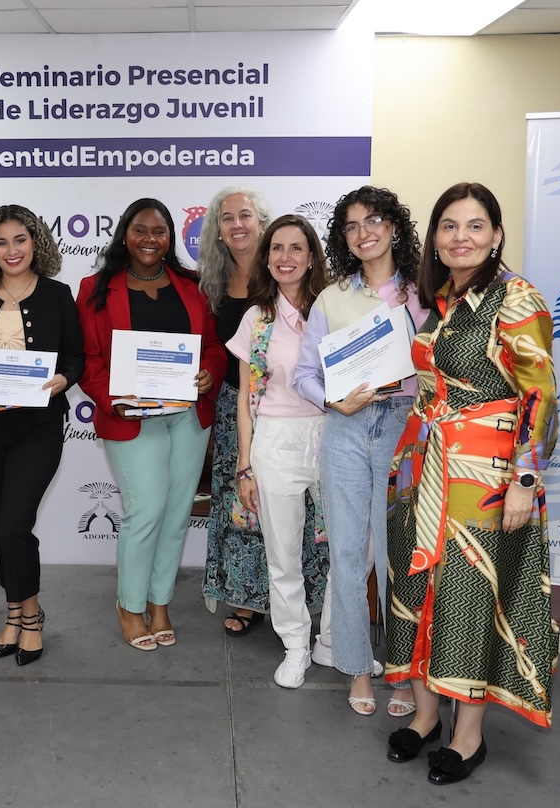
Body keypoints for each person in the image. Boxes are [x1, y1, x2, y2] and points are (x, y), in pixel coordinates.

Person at [383, 182, 559, 785]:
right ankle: (426, 716)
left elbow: (540, 394)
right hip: (425, 466)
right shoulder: (444, 300)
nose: (462, 237)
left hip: (484, 477)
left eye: (476, 225)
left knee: (468, 595)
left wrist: (525, 479)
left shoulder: (515, 296)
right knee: (419, 587)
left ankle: (469, 735)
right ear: (435, 237)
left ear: (497, 234)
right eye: (450, 225)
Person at [294, 187, 428, 716]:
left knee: (399, 558)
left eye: (373, 220)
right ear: (342, 238)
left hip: (404, 427)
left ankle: (402, 673)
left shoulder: (424, 293)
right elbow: (305, 374)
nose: (363, 232)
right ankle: (356, 668)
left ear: (394, 226)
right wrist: (334, 401)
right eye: (351, 226)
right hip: (346, 428)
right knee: (348, 556)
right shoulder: (332, 298)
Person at [76, 198, 226, 651]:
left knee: (177, 513)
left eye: (159, 232)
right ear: (125, 234)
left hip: (188, 416)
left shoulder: (193, 285)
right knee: (146, 510)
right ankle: (130, 604)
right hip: (132, 417)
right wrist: (111, 400)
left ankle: (159, 603)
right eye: (140, 230)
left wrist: (209, 373)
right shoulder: (95, 288)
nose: (149, 239)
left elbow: (214, 346)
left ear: (169, 238)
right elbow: (87, 359)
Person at [198, 186, 328, 638]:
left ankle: (315, 609)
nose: (237, 224)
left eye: (246, 215)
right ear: (217, 229)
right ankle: (251, 599)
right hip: (248, 410)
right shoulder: (214, 283)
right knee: (246, 510)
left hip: (316, 424)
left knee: (309, 522)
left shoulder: (326, 305)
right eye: (227, 217)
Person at [0, 205, 84, 666]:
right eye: (1, 242)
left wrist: (64, 379)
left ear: (36, 243)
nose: (11, 250)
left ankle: (31, 618)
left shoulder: (57, 294)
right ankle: (16, 613)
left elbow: (76, 356)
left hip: (38, 427)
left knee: (14, 525)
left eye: (20, 240)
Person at [228, 214, 330, 688]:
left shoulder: (335, 310)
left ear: (311, 258)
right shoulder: (257, 318)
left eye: (296, 248)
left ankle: (333, 641)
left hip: (334, 435)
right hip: (275, 440)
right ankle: (295, 645)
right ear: (266, 258)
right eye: (276, 248)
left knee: (351, 550)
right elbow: (245, 400)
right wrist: (244, 465)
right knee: (283, 553)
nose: (285, 257)